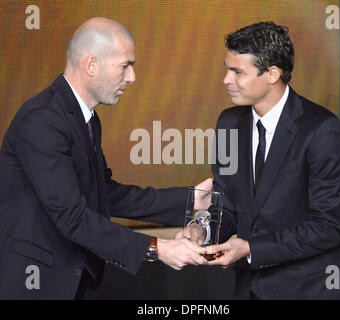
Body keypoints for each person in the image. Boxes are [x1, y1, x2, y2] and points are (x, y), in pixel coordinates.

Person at [0, 17, 210, 300]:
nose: (133, 77)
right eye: (125, 66)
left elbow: (105, 193)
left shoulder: (84, 118)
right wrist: (159, 248)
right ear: (91, 65)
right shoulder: (43, 121)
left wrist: (190, 200)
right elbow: (72, 217)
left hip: (77, 281)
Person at [203, 22, 340, 299]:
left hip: (311, 288)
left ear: (273, 73)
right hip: (249, 287)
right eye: (227, 69)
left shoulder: (323, 130)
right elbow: (223, 201)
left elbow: (327, 227)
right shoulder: (228, 123)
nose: (226, 79)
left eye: (237, 72)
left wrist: (251, 247)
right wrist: (201, 231)